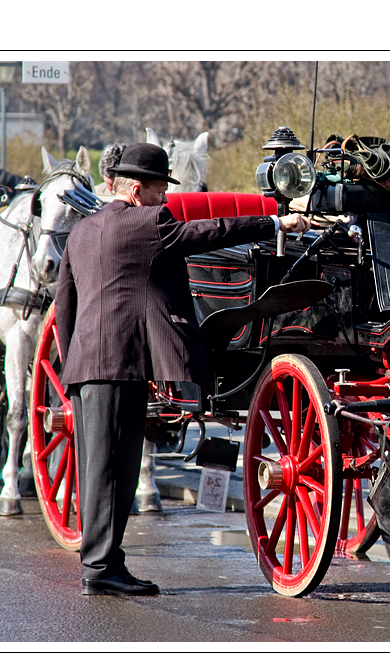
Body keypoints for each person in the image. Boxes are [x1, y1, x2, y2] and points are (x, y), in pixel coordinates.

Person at [55, 143, 311, 596]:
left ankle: (104, 562)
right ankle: (99, 568)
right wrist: (274, 221)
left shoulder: (81, 231)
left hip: (87, 366)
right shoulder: (147, 223)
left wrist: (73, 363)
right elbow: (212, 232)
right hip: (121, 364)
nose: (164, 201)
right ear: (135, 191)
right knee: (116, 468)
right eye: (159, 191)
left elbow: (65, 306)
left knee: (103, 467)